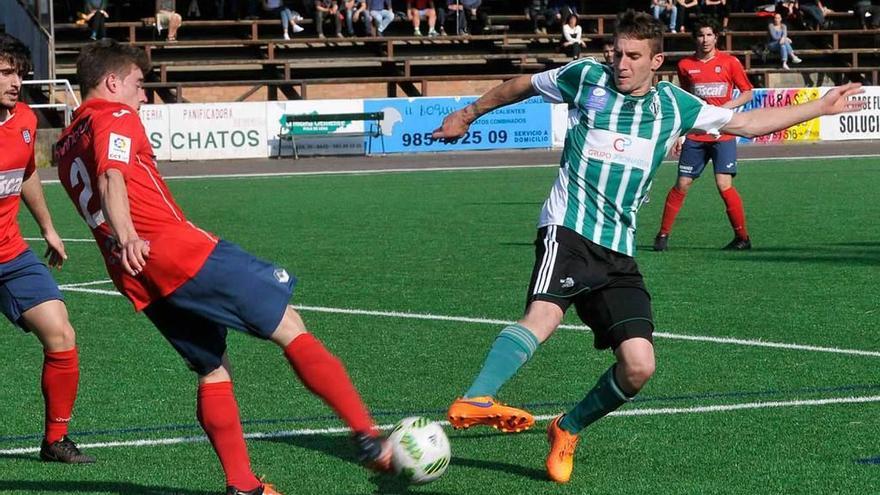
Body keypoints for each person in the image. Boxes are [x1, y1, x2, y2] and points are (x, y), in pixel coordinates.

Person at [433, 10, 865, 485]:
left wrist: (820, 107)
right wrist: (467, 114)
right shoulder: (584, 77)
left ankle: (566, 427)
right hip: (567, 229)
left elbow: (746, 124)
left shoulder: (675, 106)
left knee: (639, 366)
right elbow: (521, 86)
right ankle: (476, 396)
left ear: (655, 60)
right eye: (616, 52)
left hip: (619, 251)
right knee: (545, 315)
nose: (621, 63)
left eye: (633, 56)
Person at [54, 39, 391, 495]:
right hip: (172, 252)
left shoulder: (65, 143)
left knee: (213, 368)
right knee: (289, 325)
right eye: (138, 83)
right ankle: (369, 438)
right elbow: (113, 174)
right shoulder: (115, 116)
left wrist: (126, 242)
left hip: (134, 275)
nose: (143, 95)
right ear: (112, 82)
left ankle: (244, 486)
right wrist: (131, 233)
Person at [0, 34, 94, 465]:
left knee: (61, 334)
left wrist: (49, 228)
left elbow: (26, 173)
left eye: (19, 72)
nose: (15, 81)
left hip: (11, 255)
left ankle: (55, 440)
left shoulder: (24, 118)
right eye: (5, 73)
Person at [654, 16, 755, 251]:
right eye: (701, 35)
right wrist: (680, 134)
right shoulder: (685, 65)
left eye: (709, 34)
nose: (705, 39)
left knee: (723, 184)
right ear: (695, 38)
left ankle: (742, 238)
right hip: (696, 134)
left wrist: (723, 110)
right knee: (682, 183)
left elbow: (747, 92)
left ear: (716, 37)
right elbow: (685, 102)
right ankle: (662, 235)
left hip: (723, 132)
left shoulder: (730, 62)